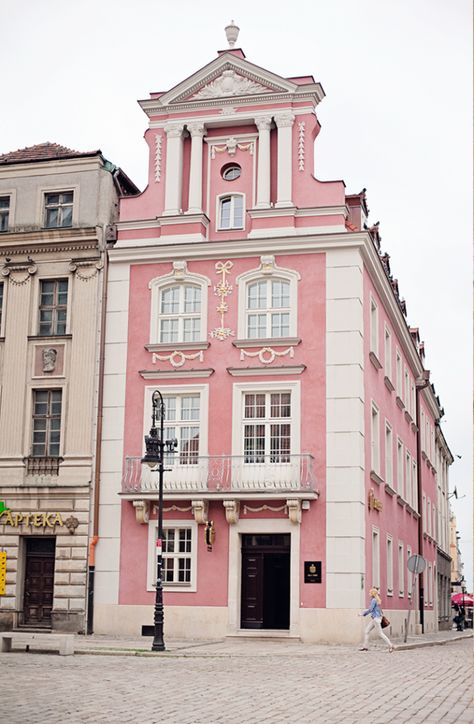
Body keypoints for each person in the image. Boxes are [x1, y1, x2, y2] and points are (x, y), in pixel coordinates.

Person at [359, 587, 394, 652]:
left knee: (380, 633)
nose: (369, 593)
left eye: (370, 592)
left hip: (376, 619)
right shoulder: (376, 600)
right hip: (375, 619)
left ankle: (390, 645)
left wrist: (362, 613)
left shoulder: (374, 600)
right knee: (366, 631)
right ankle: (365, 647)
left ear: (372, 593)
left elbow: (370, 609)